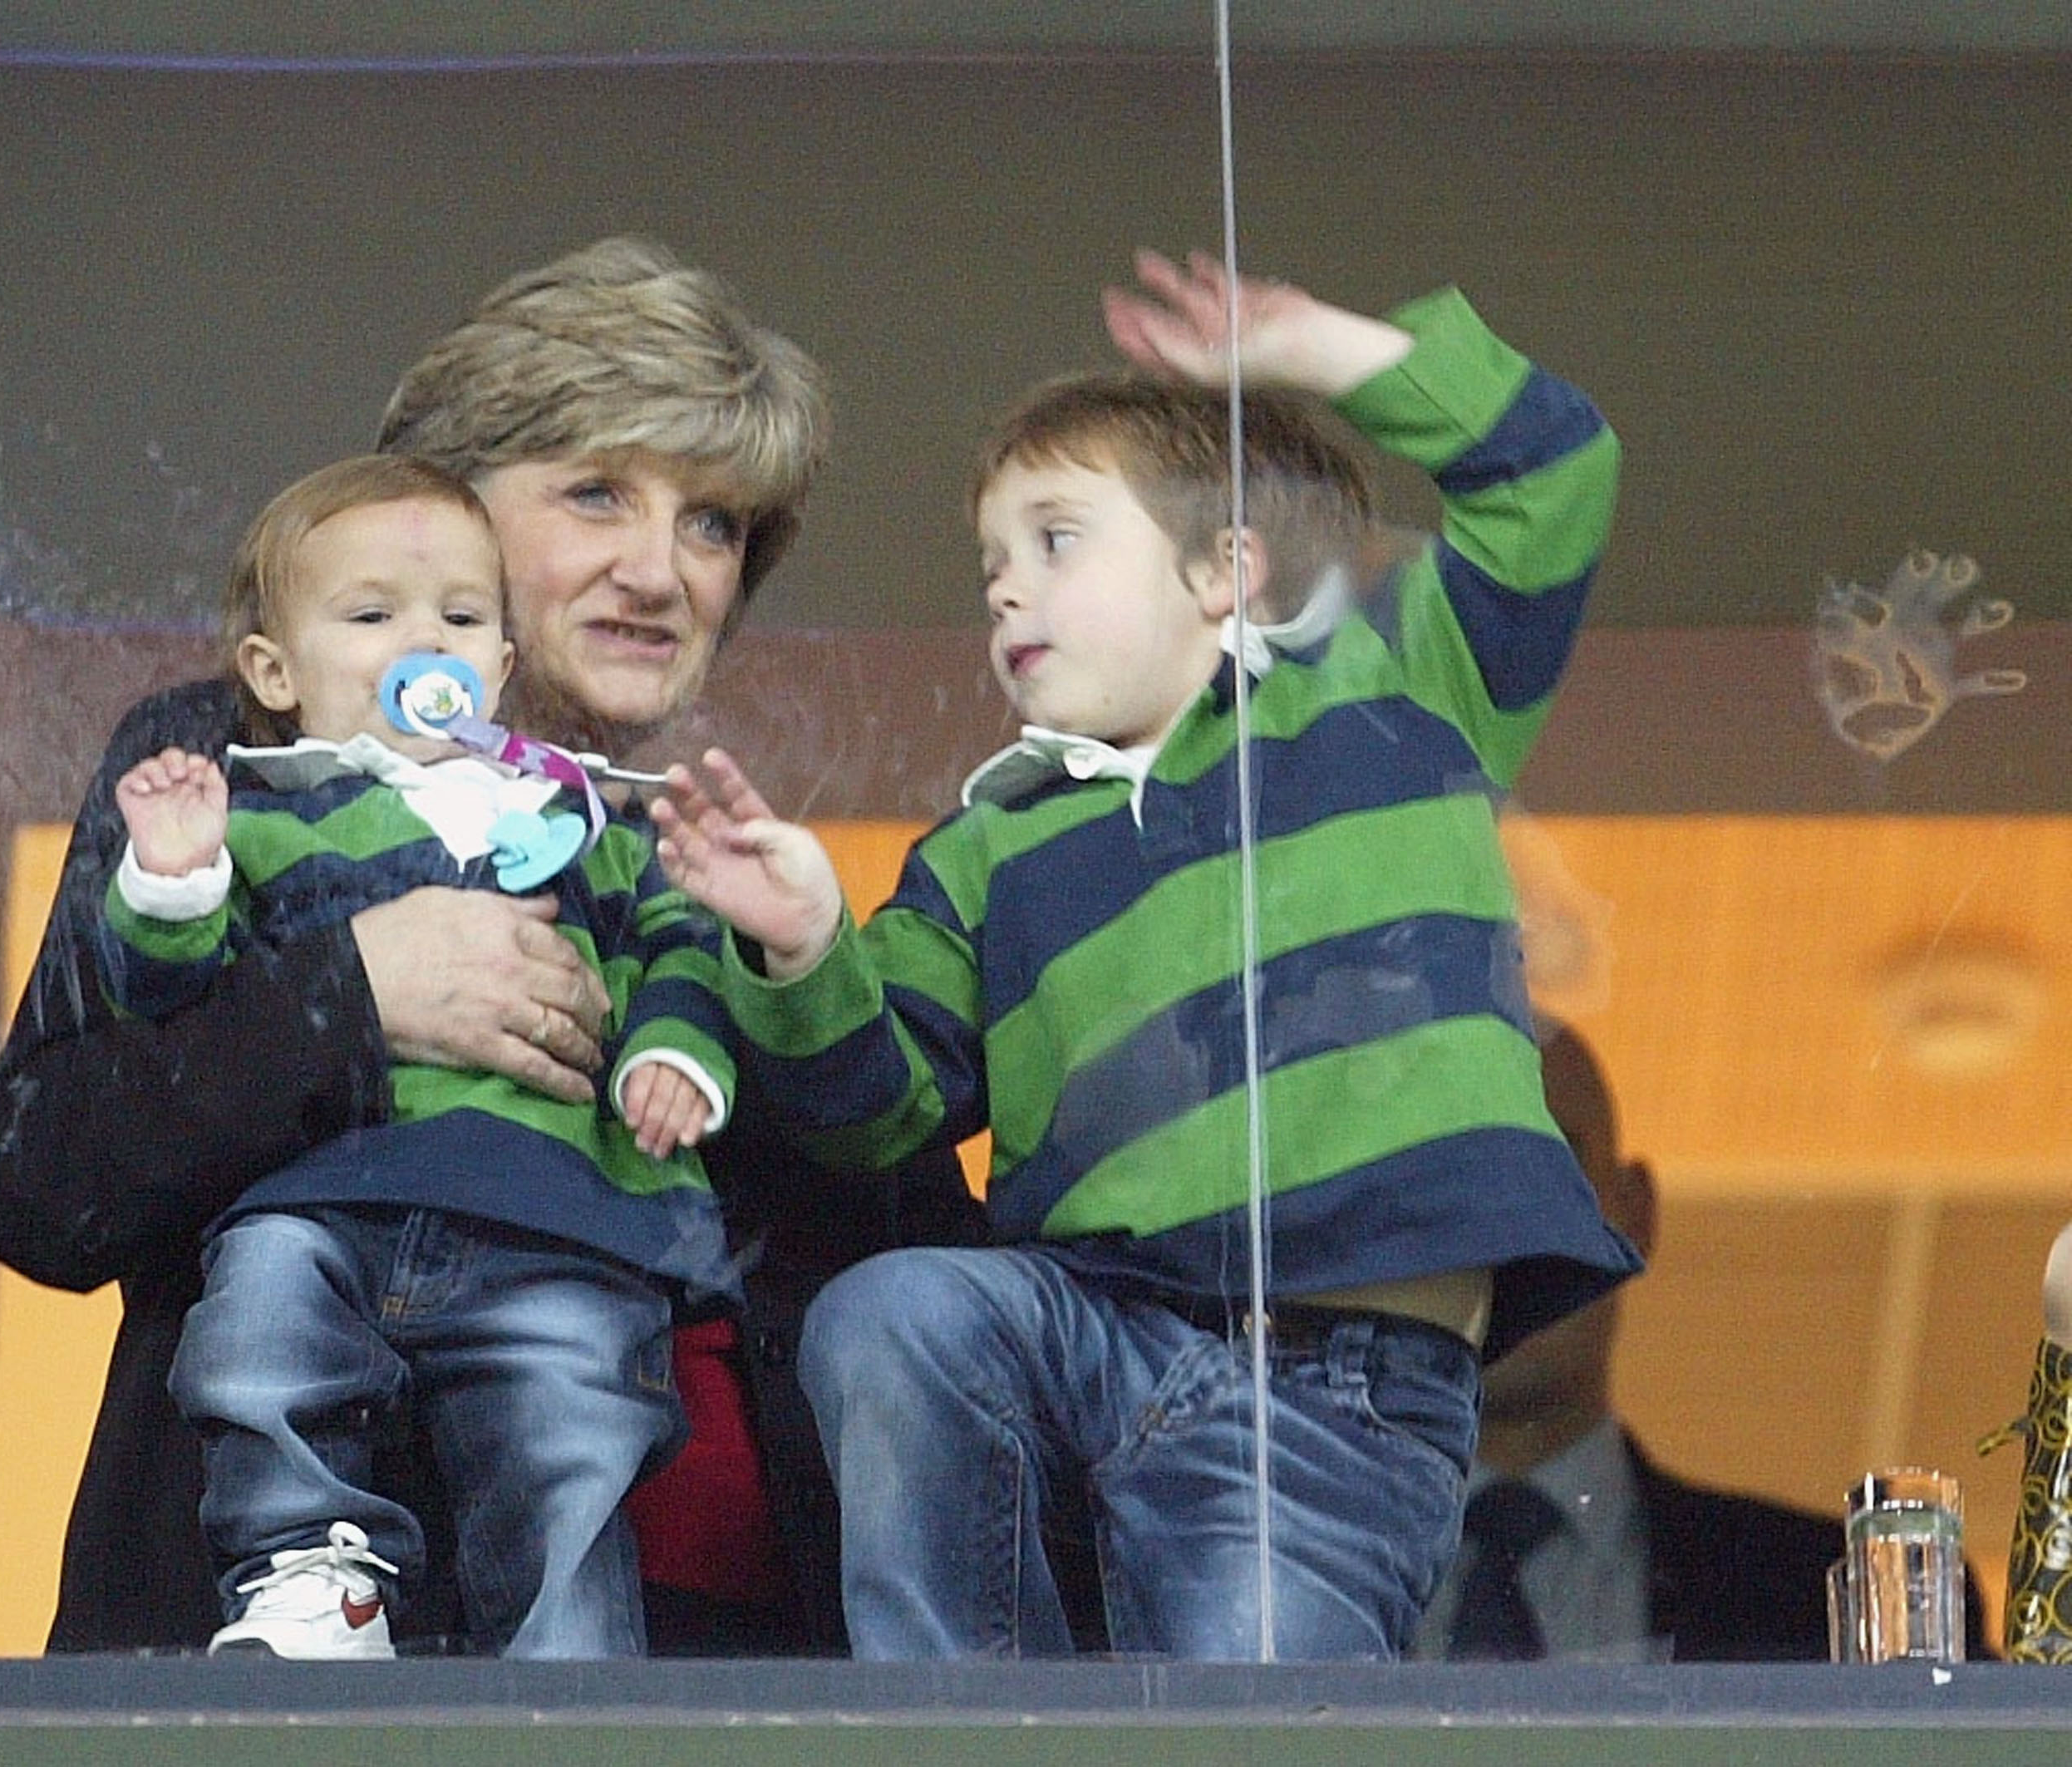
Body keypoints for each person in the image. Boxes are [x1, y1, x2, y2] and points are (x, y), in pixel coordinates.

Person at [0, 237, 982, 1656]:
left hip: (723, 1667)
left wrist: (791, 984)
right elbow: (40, 1175)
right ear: (439, 507)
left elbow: (923, 1278)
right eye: (597, 494)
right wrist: (359, 990)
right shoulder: (242, 759)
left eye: (714, 525)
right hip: (350, 1668)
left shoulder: (692, 848)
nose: (661, 569)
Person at [651, 252, 1642, 1660]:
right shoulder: (990, 846)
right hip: (1100, 1337)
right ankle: (962, 1718)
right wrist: (808, 949)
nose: (1004, 591)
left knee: (1244, 1711)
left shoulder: (1391, 700)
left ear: (1225, 569)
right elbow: (878, 1113)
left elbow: (1554, 475)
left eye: (1055, 541)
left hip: (1335, 1387)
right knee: (901, 1310)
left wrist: (1320, 348)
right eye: (990, 563)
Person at [92, 454, 739, 1658]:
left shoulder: (578, 818)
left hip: (551, 1214)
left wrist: (677, 1054)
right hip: (325, 1202)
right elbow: (169, 1010)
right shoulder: (266, 816)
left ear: (499, 665)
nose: (421, 642)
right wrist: (172, 884)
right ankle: (311, 1583)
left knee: (579, 1415)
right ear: (274, 673)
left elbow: (677, 942)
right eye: (373, 614)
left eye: (457, 616)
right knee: (256, 1325)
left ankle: (575, 1665)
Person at [1412, 1023, 1995, 1661]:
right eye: (1453, 1181)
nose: (1505, 1231)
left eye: (1550, 1171)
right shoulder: (1293, 1598)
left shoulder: (1827, 1603)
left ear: (1634, 1213)